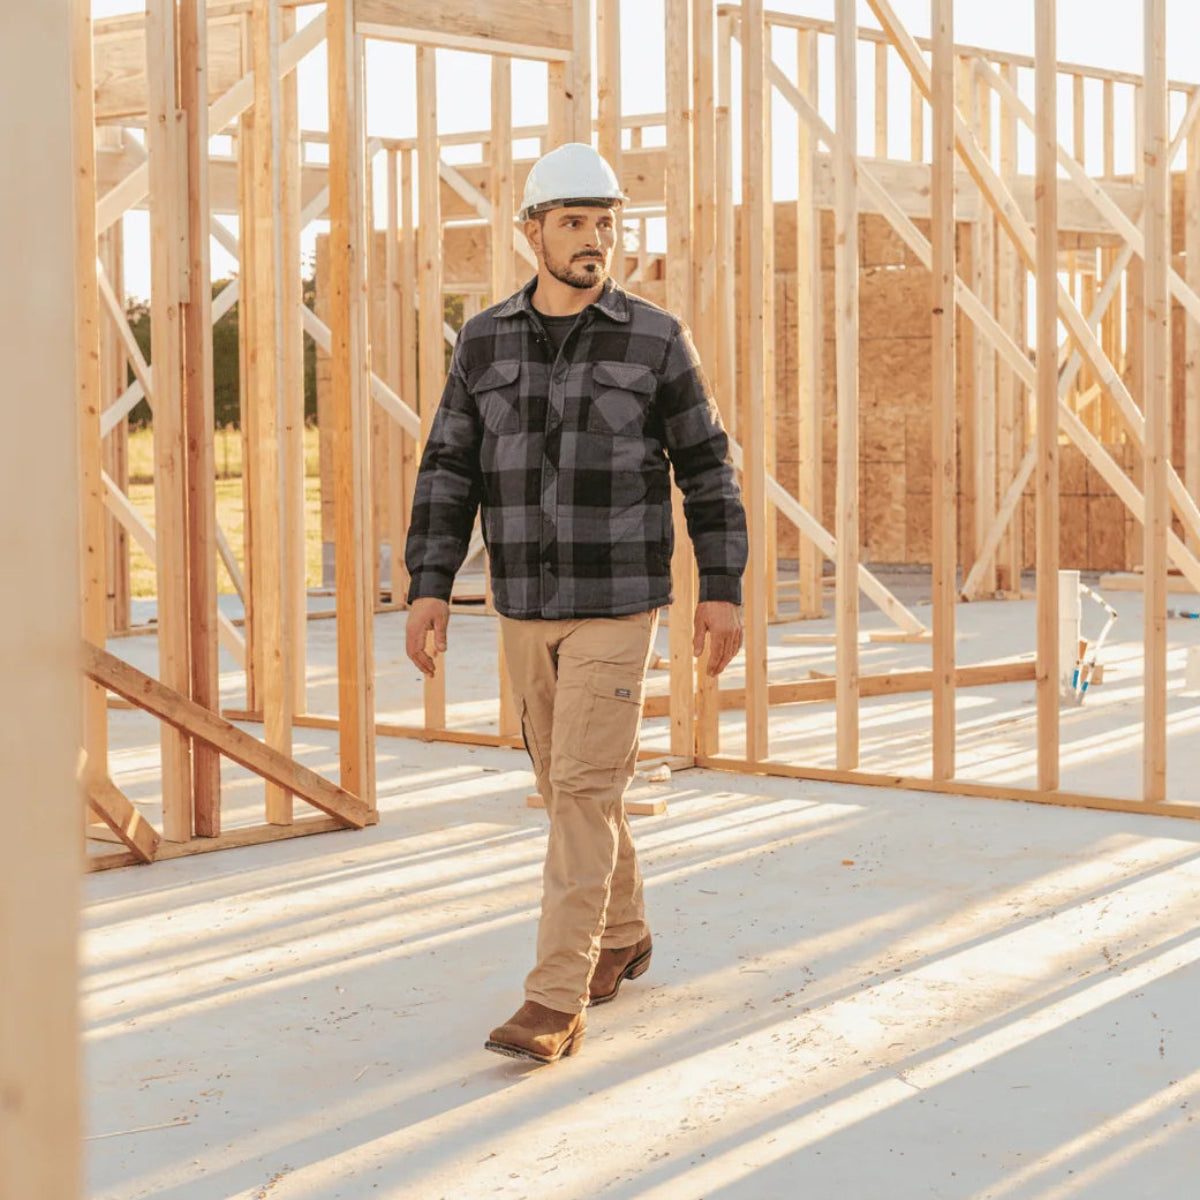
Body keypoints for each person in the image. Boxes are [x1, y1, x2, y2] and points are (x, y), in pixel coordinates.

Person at [404, 142, 747, 1065]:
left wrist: (722, 589)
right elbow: (448, 468)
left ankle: (556, 997)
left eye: (606, 224)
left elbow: (709, 470)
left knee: (585, 791)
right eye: (574, 224)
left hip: (618, 601)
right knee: (569, 789)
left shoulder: (655, 338)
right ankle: (625, 933)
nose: (596, 241)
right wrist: (430, 585)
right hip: (519, 602)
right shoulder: (482, 342)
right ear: (532, 233)